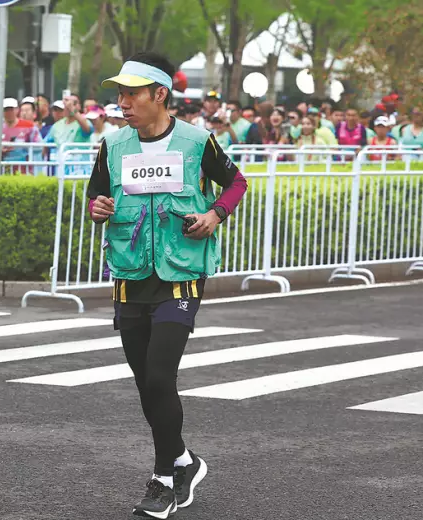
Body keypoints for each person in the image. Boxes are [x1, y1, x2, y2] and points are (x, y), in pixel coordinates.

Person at [89, 51, 248, 518]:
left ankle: (162, 481)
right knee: (147, 384)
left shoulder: (197, 141)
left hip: (181, 272)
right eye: (120, 94)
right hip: (129, 272)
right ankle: (183, 460)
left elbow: (236, 183)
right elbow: (97, 195)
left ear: (160, 94)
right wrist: (98, 208)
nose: (122, 103)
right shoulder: (113, 145)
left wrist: (215, 214)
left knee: (160, 376)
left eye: (132, 94)